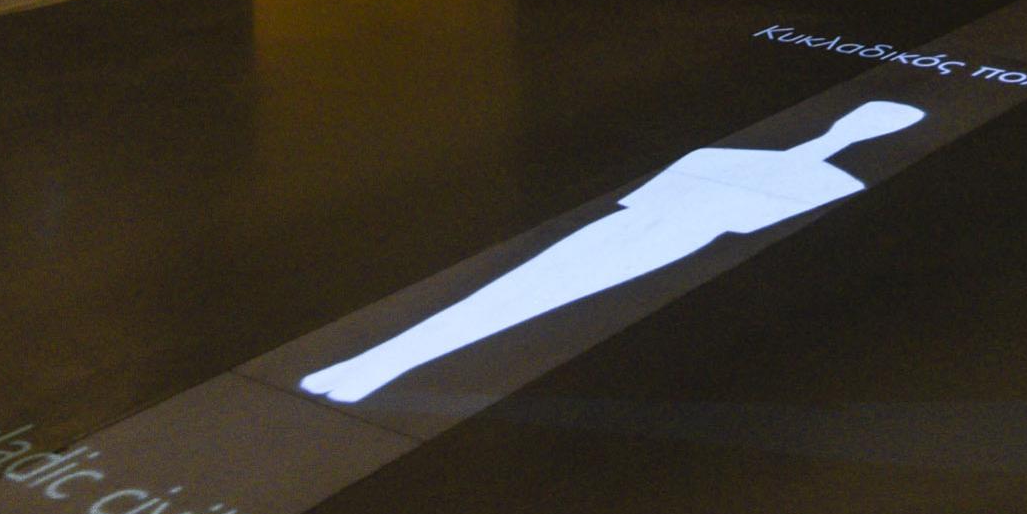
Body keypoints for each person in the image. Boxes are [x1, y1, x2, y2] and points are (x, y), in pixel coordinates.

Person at [298, 102, 925, 404]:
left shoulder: (833, 183)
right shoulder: (724, 156)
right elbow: (664, 200)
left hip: (671, 242)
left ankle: (380, 371)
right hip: (626, 227)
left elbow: (740, 228)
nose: (857, 129)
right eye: (863, 119)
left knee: (530, 306)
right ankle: (368, 362)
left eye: (876, 128)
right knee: (500, 292)